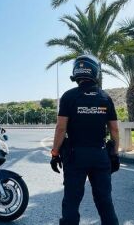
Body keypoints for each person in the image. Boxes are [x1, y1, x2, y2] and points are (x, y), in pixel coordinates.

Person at [50, 54, 120, 225]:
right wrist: (115, 154)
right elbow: (114, 129)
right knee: (105, 202)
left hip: (75, 157)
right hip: (100, 155)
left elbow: (61, 128)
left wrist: (54, 153)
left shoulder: (68, 97)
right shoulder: (105, 98)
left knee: (71, 202)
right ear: (95, 72)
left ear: (76, 72)